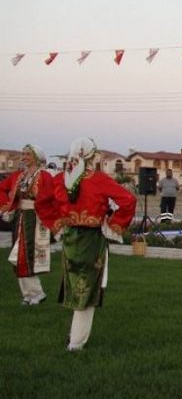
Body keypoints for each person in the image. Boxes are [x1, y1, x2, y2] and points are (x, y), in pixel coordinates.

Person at [35, 138, 136, 351]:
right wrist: (113, 225)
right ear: (92, 156)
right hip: (92, 239)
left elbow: (42, 203)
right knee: (88, 288)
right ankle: (76, 342)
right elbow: (128, 200)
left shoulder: (60, 179)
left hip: (70, 238)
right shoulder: (98, 179)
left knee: (75, 282)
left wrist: (59, 224)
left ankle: (74, 335)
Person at [0, 144, 55, 305]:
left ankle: (34, 294)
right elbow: (2, 189)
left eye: (28, 154)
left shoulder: (44, 176)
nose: (24, 157)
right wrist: (6, 206)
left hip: (35, 219)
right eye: (23, 154)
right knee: (18, 257)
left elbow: (53, 196)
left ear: (36, 157)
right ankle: (31, 294)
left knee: (25, 256)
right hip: (21, 217)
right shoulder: (18, 176)